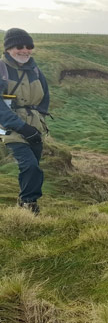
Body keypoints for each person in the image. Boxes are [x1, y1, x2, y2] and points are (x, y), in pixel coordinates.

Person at [0, 28, 49, 214]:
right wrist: (20, 126)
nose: (25, 50)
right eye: (19, 46)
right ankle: (29, 204)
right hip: (10, 129)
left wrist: (40, 117)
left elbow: (45, 95)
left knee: (33, 167)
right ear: (8, 48)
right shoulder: (1, 68)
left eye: (29, 47)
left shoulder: (35, 70)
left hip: (35, 126)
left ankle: (25, 200)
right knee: (29, 165)